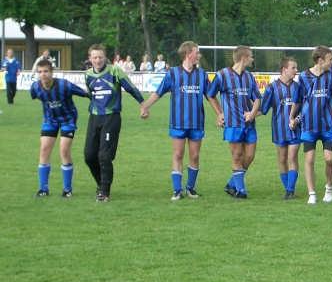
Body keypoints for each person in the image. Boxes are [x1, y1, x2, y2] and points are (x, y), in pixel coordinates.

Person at [141, 42, 209, 200]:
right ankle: (177, 190)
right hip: (178, 122)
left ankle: (190, 189)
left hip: (197, 122)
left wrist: (219, 113)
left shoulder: (202, 74)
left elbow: (210, 95)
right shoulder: (172, 74)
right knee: (178, 154)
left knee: (195, 156)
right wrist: (145, 106)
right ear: (188, 54)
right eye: (196, 52)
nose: (199, 55)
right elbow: (158, 92)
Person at [84, 44, 145, 202]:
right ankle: (100, 184)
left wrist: (143, 104)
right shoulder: (88, 75)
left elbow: (130, 87)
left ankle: (105, 191)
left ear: (105, 58)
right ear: (90, 59)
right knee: (89, 156)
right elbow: (91, 95)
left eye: (100, 57)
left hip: (111, 117)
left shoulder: (114, 71)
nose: (97, 60)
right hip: (94, 117)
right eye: (94, 57)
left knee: (104, 156)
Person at [290, 45, 332, 204]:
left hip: (327, 125)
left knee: (329, 159)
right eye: (330, 59)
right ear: (320, 60)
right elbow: (297, 100)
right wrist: (291, 117)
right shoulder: (304, 77)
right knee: (309, 159)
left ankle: (329, 188)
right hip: (309, 125)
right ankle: (312, 193)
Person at [207, 46, 261, 199]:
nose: (252, 59)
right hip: (233, 124)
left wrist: (252, 113)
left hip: (249, 124)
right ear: (243, 57)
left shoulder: (249, 77)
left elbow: (257, 98)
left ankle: (232, 183)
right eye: (251, 56)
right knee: (237, 155)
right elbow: (211, 95)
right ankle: (240, 191)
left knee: (249, 156)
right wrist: (219, 114)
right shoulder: (222, 75)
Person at [30, 59, 89, 197]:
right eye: (40, 72)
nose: (43, 74)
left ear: (52, 72)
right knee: (44, 150)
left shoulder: (64, 85)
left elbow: (85, 94)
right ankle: (43, 189)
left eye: (45, 71)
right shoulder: (35, 87)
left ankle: (67, 189)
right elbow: (35, 96)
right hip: (50, 120)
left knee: (64, 150)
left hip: (68, 120)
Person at [261, 57, 302, 199]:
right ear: (284, 69)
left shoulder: (298, 88)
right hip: (279, 130)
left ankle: (290, 190)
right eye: (293, 68)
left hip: (295, 130)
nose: (296, 71)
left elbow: (305, 109)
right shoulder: (272, 88)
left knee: (292, 157)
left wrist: (296, 120)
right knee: (282, 159)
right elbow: (263, 109)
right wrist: (250, 114)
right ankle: (288, 189)